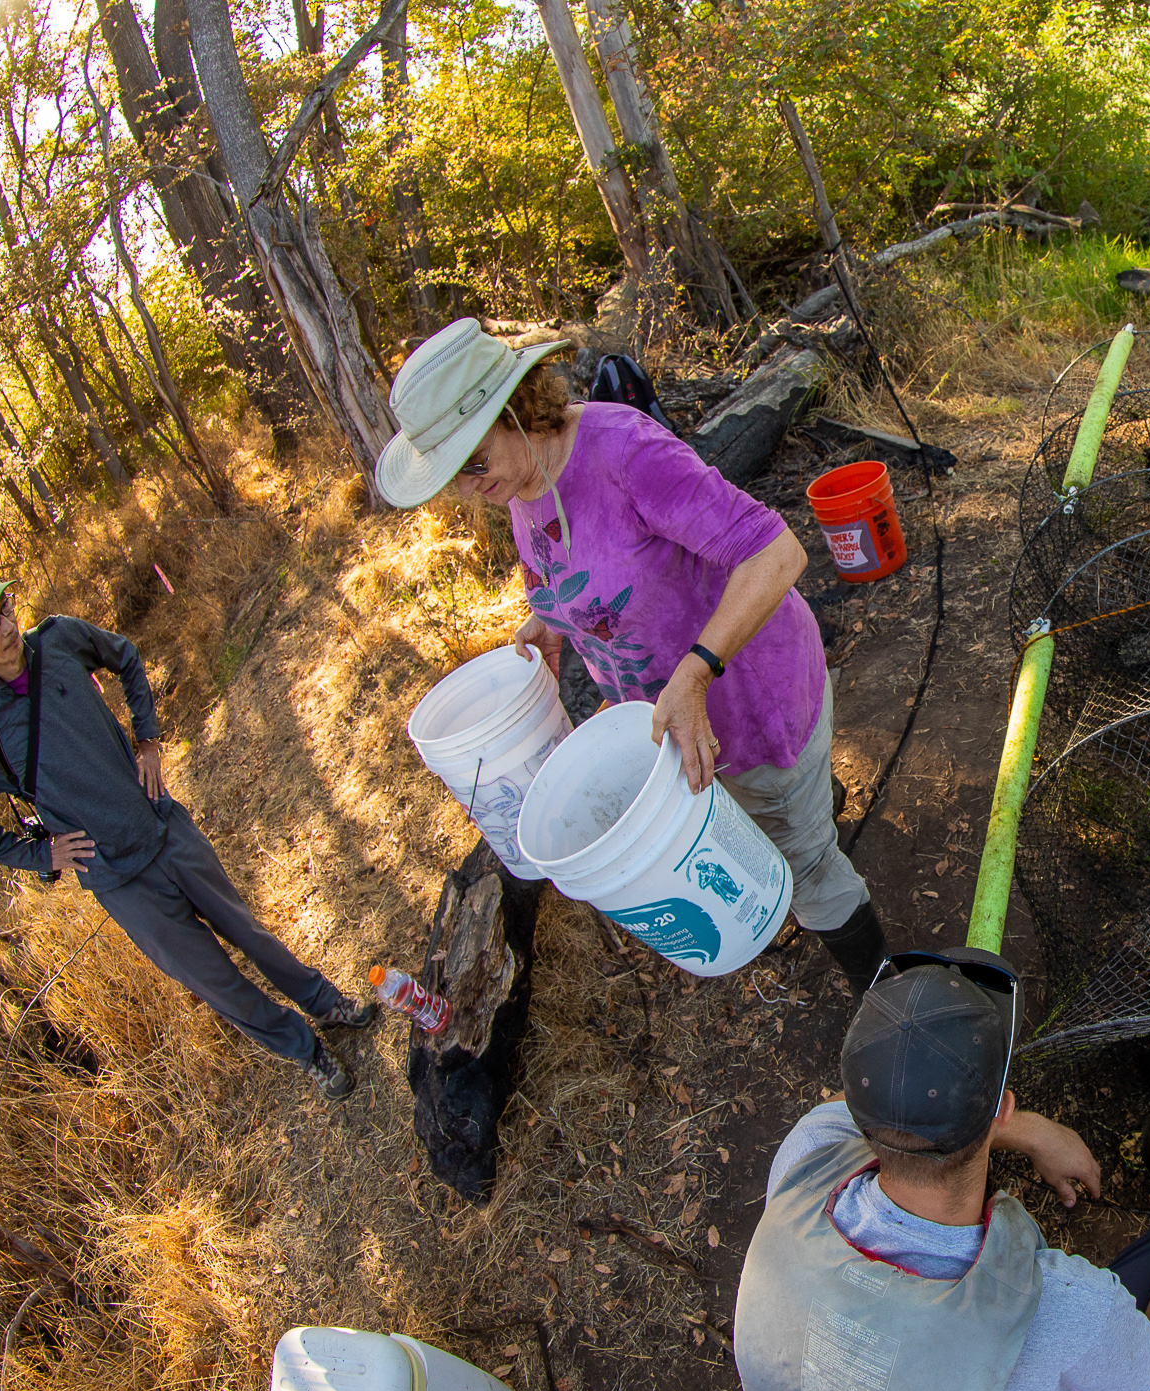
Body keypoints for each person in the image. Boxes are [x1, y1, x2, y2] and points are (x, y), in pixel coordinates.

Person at [374, 318, 888, 990]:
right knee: (753, 821)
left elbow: (777, 552)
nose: (473, 487)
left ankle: (887, 993)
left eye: (475, 463)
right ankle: (807, 807)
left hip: (747, 698)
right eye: (456, 477)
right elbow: (597, 560)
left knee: (809, 864)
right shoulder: (519, 477)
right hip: (678, 721)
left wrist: (697, 671)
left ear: (520, 409)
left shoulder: (624, 453)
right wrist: (550, 619)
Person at [733, 948, 1150, 1391]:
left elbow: (842, 1115)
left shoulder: (806, 1158)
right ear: (1001, 1107)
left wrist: (1030, 1134)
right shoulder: (1059, 1307)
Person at [0, 571, 374, 1100]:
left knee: (247, 930)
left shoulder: (57, 638)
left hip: (162, 825)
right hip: (120, 880)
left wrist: (148, 737)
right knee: (216, 983)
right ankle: (306, 1051)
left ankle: (326, 1002)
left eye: (4, 608)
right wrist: (43, 854)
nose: (7, 627)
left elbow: (124, 655)